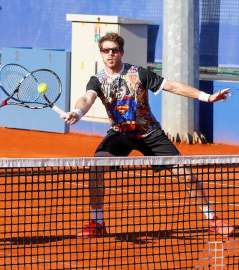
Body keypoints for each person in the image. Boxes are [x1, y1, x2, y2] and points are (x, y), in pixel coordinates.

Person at [63, 32, 235, 238]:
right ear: (101, 54)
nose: (110, 54)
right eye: (106, 50)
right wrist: (78, 112)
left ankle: (212, 220)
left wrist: (207, 97)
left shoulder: (139, 74)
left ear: (121, 52)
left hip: (150, 133)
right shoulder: (97, 80)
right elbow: (87, 98)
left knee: (187, 176)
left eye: (114, 50)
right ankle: (97, 223)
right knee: (95, 168)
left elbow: (173, 86)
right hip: (120, 134)